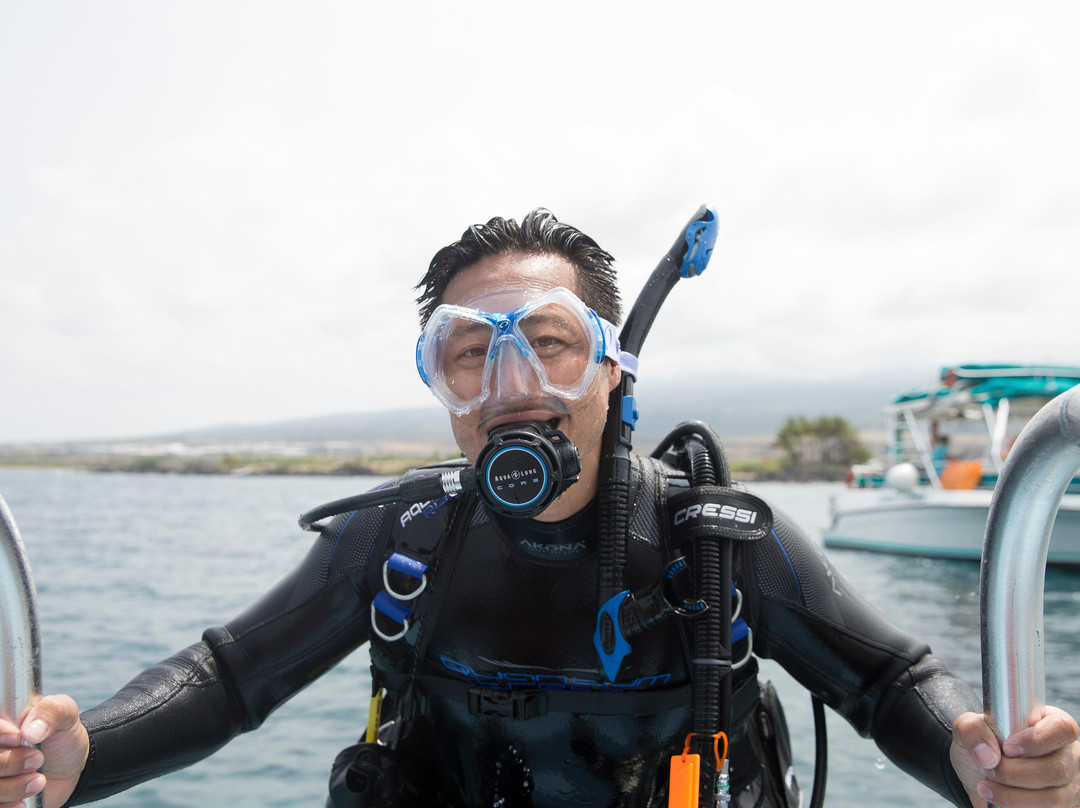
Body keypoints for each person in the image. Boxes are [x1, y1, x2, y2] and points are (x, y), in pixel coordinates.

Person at [2, 209, 1079, 808]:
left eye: (548, 342)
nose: (511, 383)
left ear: (615, 367)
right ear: (442, 386)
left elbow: (890, 680)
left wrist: (977, 761)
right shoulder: (401, 541)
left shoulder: (717, 544)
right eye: (468, 354)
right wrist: (81, 750)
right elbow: (227, 678)